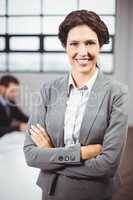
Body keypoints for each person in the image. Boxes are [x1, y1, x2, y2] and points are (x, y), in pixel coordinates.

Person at [23, 10, 128, 200]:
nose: (83, 52)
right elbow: (31, 155)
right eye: (74, 44)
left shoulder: (117, 93)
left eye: (90, 43)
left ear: (100, 45)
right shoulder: (49, 90)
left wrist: (49, 155)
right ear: (65, 47)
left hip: (94, 194)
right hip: (51, 193)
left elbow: (108, 165)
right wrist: (80, 153)